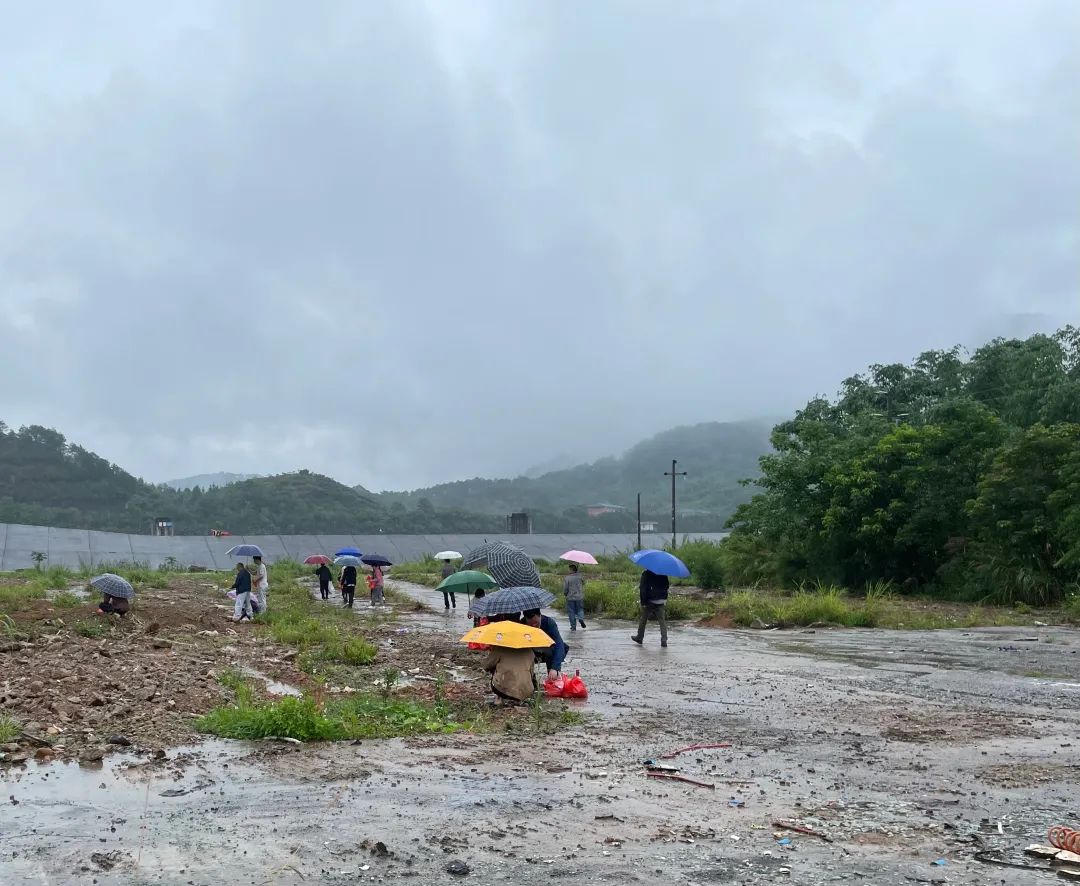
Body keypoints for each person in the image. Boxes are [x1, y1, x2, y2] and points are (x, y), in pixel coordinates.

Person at [482, 618, 537, 705]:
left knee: (494, 667)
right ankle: (519, 699)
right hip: (526, 691)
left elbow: (487, 666)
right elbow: (532, 672)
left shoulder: (500, 647)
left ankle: (499, 698)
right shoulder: (529, 650)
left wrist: (492, 654)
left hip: (503, 691)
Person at [522, 608, 567, 681]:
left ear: (540, 616)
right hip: (531, 651)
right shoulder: (522, 624)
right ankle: (531, 680)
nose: (534, 626)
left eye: (536, 623)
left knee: (553, 649)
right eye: (530, 624)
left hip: (546, 651)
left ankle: (553, 677)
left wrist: (555, 668)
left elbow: (559, 644)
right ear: (526, 620)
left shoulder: (549, 623)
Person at [631, 568, 669, 647]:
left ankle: (639, 637)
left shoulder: (646, 573)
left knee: (643, 619)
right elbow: (667, 586)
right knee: (662, 621)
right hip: (661, 600)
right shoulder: (663, 573)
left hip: (650, 601)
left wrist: (643, 602)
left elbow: (643, 589)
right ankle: (664, 640)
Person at [563, 563, 586, 632]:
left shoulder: (567, 578)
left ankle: (573, 627)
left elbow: (565, 589)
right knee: (580, 609)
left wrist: (565, 594)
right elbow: (584, 583)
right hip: (579, 597)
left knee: (571, 612)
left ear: (572, 570)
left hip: (570, 597)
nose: (568, 570)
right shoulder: (580, 577)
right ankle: (581, 618)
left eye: (569, 569)